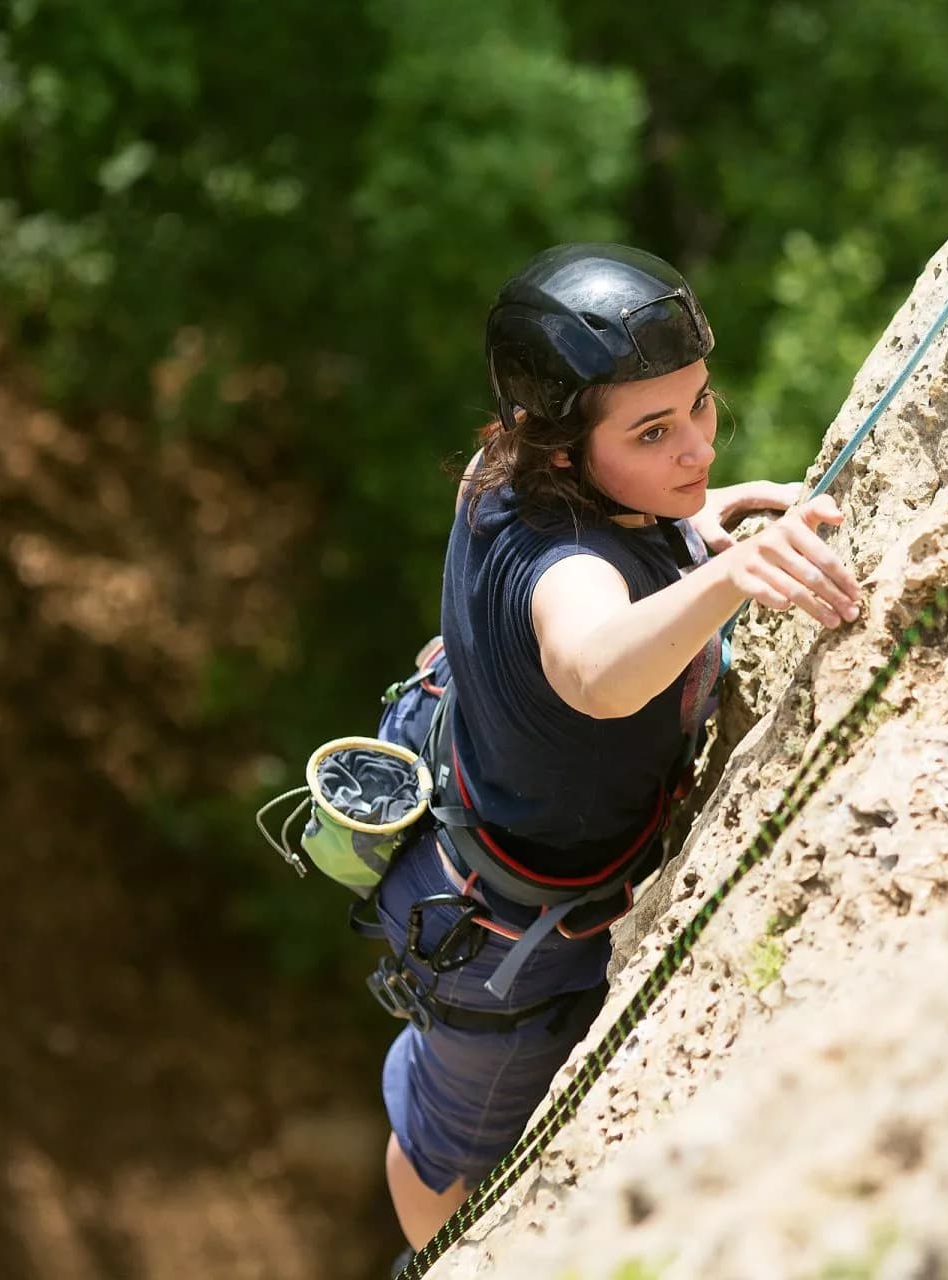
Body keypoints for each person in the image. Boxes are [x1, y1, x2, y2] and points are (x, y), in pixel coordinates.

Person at [369, 243, 864, 1261]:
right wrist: (733, 577)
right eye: (653, 430)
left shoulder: (502, 468)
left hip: (475, 801)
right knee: (439, 1157)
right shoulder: (569, 569)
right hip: (504, 943)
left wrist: (703, 531)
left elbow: (605, 546)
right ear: (559, 451)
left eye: (700, 407)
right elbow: (595, 663)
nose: (697, 448)